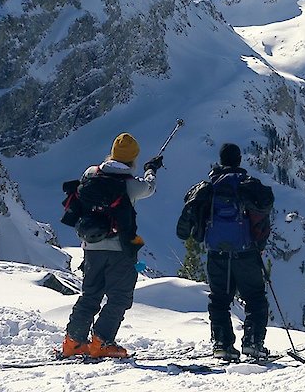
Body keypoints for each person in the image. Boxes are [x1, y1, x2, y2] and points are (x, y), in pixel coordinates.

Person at [61, 132, 163, 358]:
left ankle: (73, 342)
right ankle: (102, 342)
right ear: (133, 158)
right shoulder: (131, 185)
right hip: (120, 250)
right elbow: (150, 187)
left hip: (91, 247)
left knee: (90, 295)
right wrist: (151, 169)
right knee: (119, 297)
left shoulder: (91, 173)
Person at [177, 142, 274, 361]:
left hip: (217, 254)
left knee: (219, 300)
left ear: (221, 161)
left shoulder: (209, 188)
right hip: (246, 253)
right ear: (239, 160)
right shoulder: (247, 185)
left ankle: (222, 344)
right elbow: (265, 207)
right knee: (255, 299)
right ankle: (253, 343)